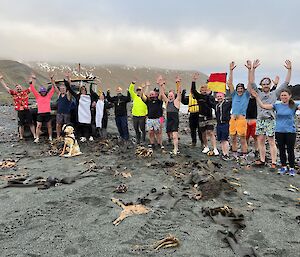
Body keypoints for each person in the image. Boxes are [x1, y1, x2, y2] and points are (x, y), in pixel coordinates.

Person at [248, 59, 291, 169]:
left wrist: (289, 70)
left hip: (270, 120)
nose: (266, 85)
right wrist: (253, 69)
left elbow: (286, 83)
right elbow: (252, 82)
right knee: (261, 140)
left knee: (271, 141)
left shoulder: (274, 93)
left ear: (270, 84)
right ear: (261, 85)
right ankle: (262, 160)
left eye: (268, 83)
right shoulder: (258, 92)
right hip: (260, 120)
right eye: (264, 84)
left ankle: (273, 162)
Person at [253, 89, 299, 176]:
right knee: (281, 150)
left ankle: (292, 168)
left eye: (285, 95)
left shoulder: (294, 105)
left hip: (290, 131)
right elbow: (263, 106)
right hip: (279, 131)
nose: (284, 97)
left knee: (290, 150)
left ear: (290, 96)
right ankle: (284, 166)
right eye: (282, 95)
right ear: (280, 97)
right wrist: (257, 97)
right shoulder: (277, 105)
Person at [0, 73, 36, 140]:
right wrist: (1, 80)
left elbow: (32, 87)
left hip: (27, 110)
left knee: (31, 123)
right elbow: (6, 88)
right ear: (15, 89)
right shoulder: (14, 93)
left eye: (19, 87)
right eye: (17, 88)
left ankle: (34, 135)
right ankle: (21, 136)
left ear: (21, 88)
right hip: (20, 111)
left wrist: (33, 79)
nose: (18, 88)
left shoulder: (25, 92)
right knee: (21, 124)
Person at [191, 73, 218, 155]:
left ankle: (215, 148)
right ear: (200, 91)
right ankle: (206, 147)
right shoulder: (198, 96)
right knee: (203, 132)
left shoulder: (210, 97)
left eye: (205, 90)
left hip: (209, 117)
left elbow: (214, 106)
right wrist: (193, 80)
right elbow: (193, 90)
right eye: (202, 90)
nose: (204, 91)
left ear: (207, 90)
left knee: (211, 132)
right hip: (201, 117)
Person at [228, 61, 250, 159]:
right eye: (238, 88)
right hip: (233, 119)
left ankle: (244, 154)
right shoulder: (234, 95)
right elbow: (230, 83)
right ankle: (234, 153)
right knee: (233, 137)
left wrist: (250, 70)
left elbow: (250, 83)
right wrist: (231, 70)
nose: (240, 90)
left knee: (242, 138)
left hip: (241, 119)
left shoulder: (246, 95)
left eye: (241, 88)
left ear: (244, 89)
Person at [64, 75, 96, 142]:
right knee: (81, 125)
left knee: (88, 125)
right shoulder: (78, 96)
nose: (83, 90)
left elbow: (95, 97)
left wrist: (94, 102)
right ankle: (82, 136)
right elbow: (71, 90)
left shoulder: (89, 96)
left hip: (88, 113)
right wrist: (66, 84)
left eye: (84, 89)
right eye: (82, 89)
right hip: (80, 113)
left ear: (86, 90)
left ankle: (90, 136)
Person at [29, 74, 55, 143]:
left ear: (46, 92)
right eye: (42, 92)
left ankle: (50, 137)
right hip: (40, 113)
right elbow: (33, 89)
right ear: (40, 92)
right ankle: (37, 138)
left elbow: (53, 88)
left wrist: (52, 79)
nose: (43, 93)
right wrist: (31, 82)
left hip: (47, 113)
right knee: (38, 126)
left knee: (49, 126)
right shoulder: (37, 96)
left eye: (44, 92)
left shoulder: (48, 96)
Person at [160, 76, 182, 155]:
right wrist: (162, 85)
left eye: (171, 96)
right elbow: (162, 94)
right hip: (168, 120)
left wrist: (178, 83)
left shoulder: (176, 101)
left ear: (174, 96)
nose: (170, 97)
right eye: (169, 96)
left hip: (175, 120)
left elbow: (179, 92)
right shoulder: (167, 102)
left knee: (175, 135)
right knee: (170, 134)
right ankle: (170, 140)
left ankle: (176, 148)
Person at [181, 77, 203, 147]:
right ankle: (194, 142)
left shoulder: (198, 96)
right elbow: (184, 102)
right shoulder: (189, 97)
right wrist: (182, 95)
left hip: (198, 114)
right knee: (192, 129)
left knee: (200, 129)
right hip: (192, 114)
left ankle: (202, 142)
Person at [142, 80, 164, 149]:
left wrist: (161, 85)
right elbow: (143, 95)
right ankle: (152, 144)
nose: (152, 95)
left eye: (153, 94)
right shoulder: (148, 100)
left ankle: (160, 144)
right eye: (150, 94)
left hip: (160, 117)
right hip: (150, 119)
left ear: (156, 94)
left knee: (159, 131)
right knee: (151, 132)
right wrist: (146, 87)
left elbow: (162, 94)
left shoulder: (159, 100)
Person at [215, 92, 232, 160]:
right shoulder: (216, 105)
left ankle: (226, 154)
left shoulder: (227, 104)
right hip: (219, 124)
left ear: (224, 97)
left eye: (220, 96)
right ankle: (223, 152)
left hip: (225, 123)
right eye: (218, 96)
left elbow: (233, 99)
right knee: (221, 140)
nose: (219, 97)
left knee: (225, 139)